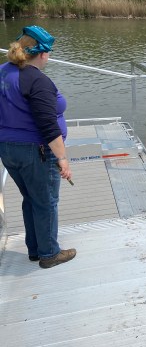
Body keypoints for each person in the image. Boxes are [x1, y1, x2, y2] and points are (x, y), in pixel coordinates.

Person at [0, 25, 76, 269]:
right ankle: (49, 254)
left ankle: (35, 248)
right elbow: (48, 125)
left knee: (30, 199)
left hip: (8, 149)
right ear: (43, 54)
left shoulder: (3, 72)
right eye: (49, 53)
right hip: (36, 151)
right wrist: (62, 158)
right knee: (46, 201)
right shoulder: (36, 79)